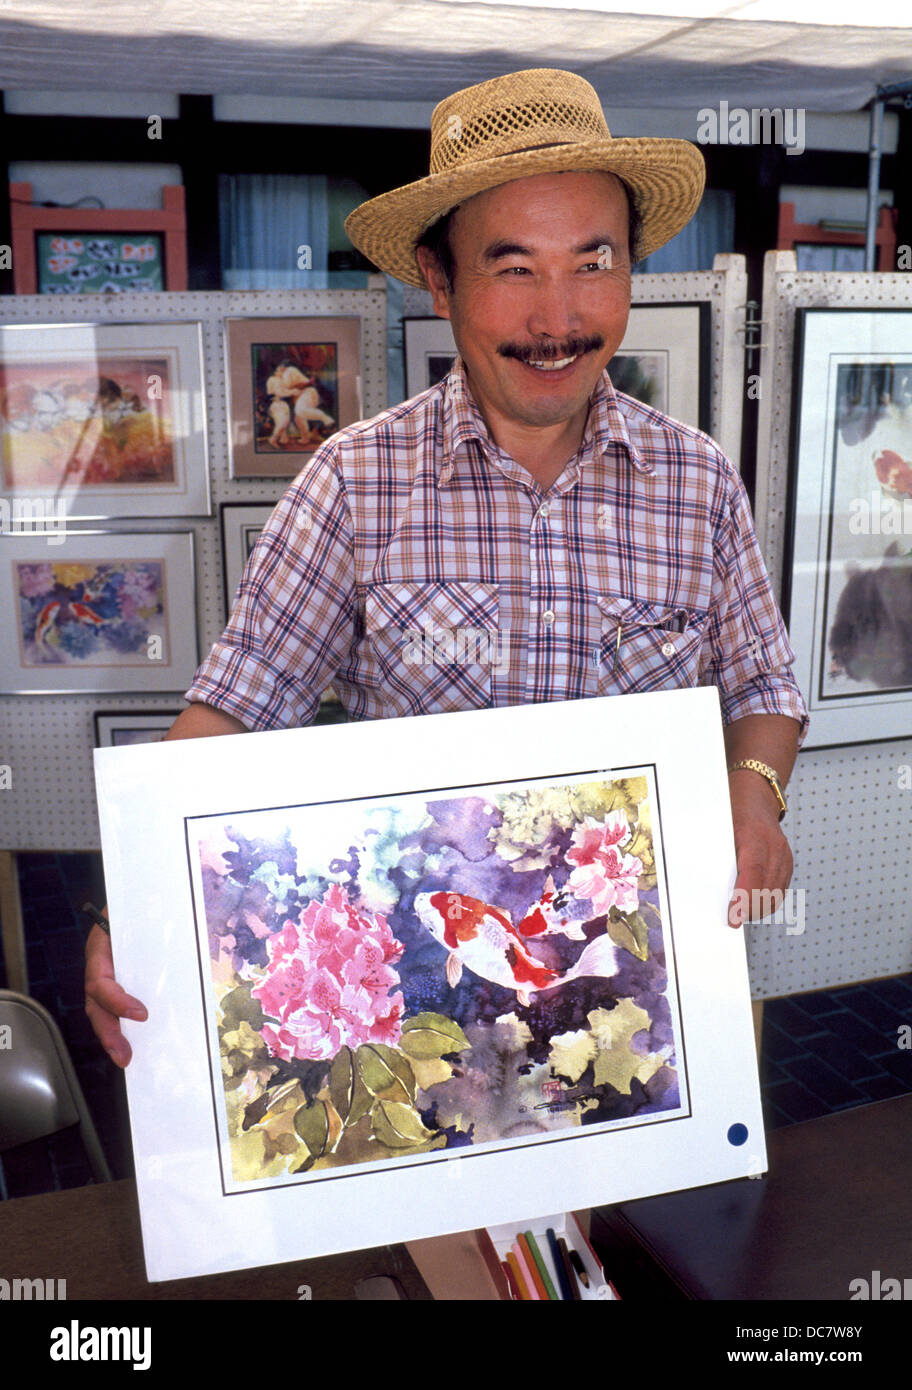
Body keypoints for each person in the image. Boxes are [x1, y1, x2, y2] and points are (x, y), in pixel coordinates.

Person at [86, 68, 808, 1067]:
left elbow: (764, 687)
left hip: (644, 1012)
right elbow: (235, 709)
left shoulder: (699, 483)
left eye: (592, 261)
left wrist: (755, 787)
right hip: (427, 1015)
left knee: (665, 1232)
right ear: (439, 279)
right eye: (513, 267)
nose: (557, 317)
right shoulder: (352, 485)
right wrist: (128, 887)